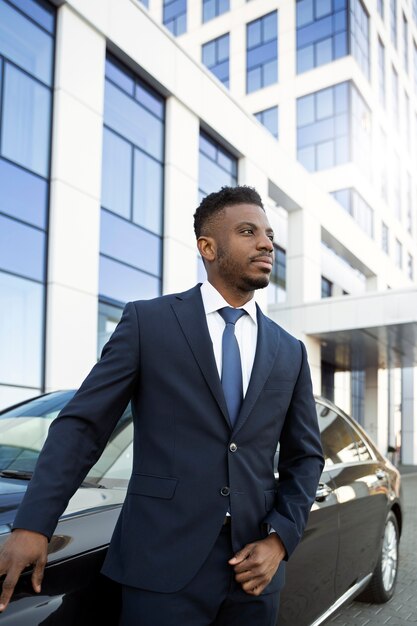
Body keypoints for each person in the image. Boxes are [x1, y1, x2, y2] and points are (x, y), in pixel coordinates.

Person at [0, 185, 324, 625]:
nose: (267, 243)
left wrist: (281, 539)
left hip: (255, 576)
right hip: (159, 569)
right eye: (248, 232)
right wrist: (34, 523)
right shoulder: (146, 323)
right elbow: (82, 427)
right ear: (207, 247)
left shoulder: (289, 351)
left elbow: (305, 457)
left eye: (268, 234)